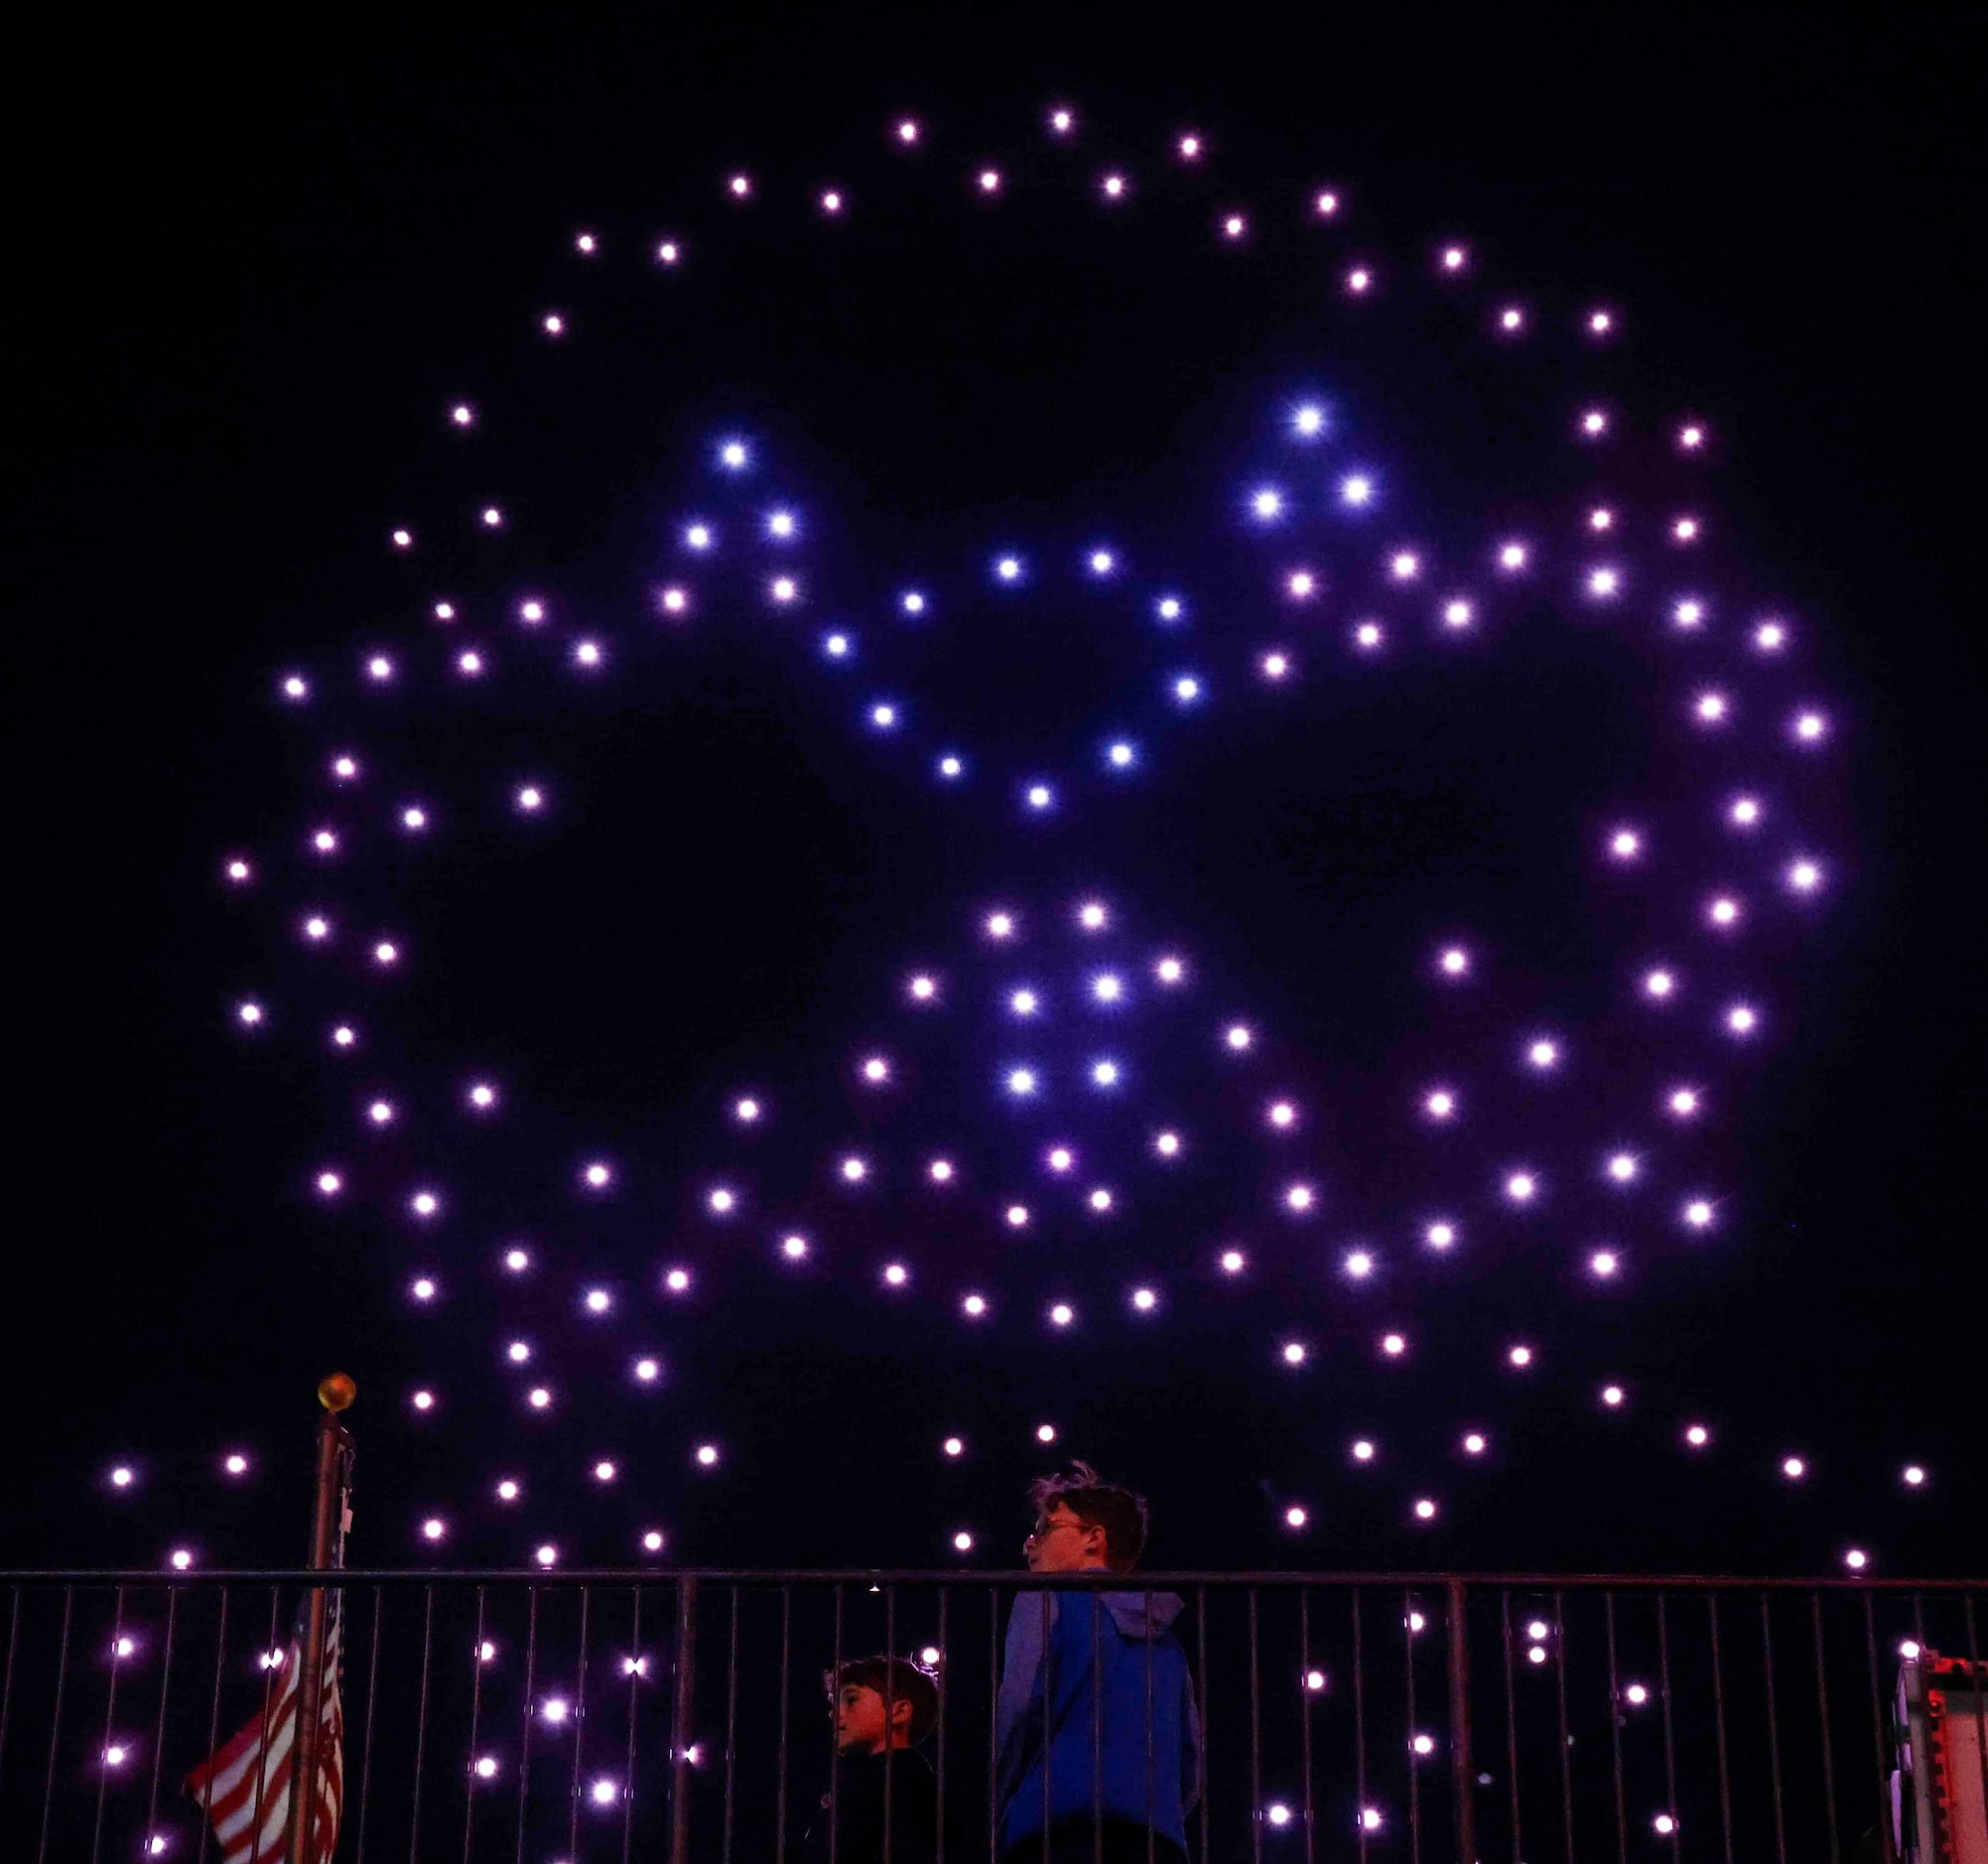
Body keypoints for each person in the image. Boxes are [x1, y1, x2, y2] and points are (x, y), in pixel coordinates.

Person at [994, 1462, 1201, 1864]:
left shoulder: (1044, 1601)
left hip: (1053, 1825)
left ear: (1093, 1539)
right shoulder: (1167, 1637)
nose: (1029, 1543)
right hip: (1156, 1834)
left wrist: (1006, 1804)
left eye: (1046, 1528)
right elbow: (1190, 1756)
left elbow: (1018, 1710)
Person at [800, 1654, 944, 1864]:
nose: (833, 1713)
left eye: (851, 1699)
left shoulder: (893, 1779)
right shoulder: (888, 1776)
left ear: (899, 1711)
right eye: (834, 1703)